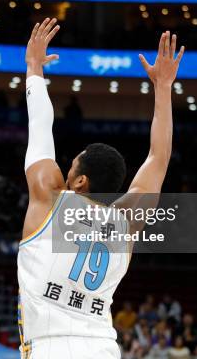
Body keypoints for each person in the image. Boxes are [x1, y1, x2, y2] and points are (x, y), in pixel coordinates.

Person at [17, 18, 184, 359]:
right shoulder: (127, 222)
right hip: (103, 349)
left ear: (80, 181)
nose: (65, 168)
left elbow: (40, 125)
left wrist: (34, 68)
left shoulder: (48, 199)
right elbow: (159, 157)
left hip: (50, 349)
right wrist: (163, 89)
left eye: (73, 164)